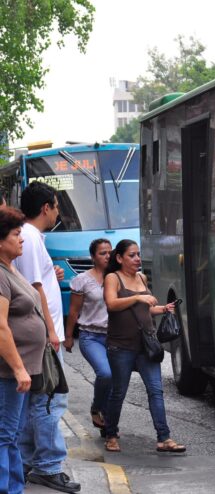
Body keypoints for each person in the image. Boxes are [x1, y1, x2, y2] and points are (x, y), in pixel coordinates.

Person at [13, 181, 80, 493]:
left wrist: (51, 273)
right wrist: (53, 332)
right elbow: (33, 287)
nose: (57, 213)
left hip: (40, 333)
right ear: (45, 208)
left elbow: (35, 279)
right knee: (50, 398)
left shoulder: (31, 237)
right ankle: (48, 466)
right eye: (56, 206)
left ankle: (29, 460)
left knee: (37, 400)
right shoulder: (28, 236)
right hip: (41, 336)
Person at [102, 239, 184, 454]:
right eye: (132, 255)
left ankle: (164, 437)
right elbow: (111, 304)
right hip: (121, 346)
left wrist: (162, 309)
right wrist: (139, 297)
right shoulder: (113, 278)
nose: (137, 259)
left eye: (138, 254)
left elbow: (145, 310)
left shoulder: (141, 277)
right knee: (119, 392)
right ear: (119, 258)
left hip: (147, 345)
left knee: (156, 391)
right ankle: (111, 435)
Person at [0, 207, 46, 494]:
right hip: (8, 372)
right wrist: (18, 368)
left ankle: (15, 488)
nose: (22, 239)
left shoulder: (11, 268)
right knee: (4, 435)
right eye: (16, 234)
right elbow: (1, 327)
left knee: (12, 434)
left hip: (23, 369)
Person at [63, 239, 112, 435]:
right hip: (90, 336)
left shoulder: (116, 276)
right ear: (93, 257)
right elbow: (73, 311)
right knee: (105, 373)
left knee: (114, 380)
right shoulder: (82, 280)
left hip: (115, 338)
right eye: (102, 253)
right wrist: (68, 336)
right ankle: (96, 408)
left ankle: (108, 424)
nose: (107, 256)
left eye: (110, 252)